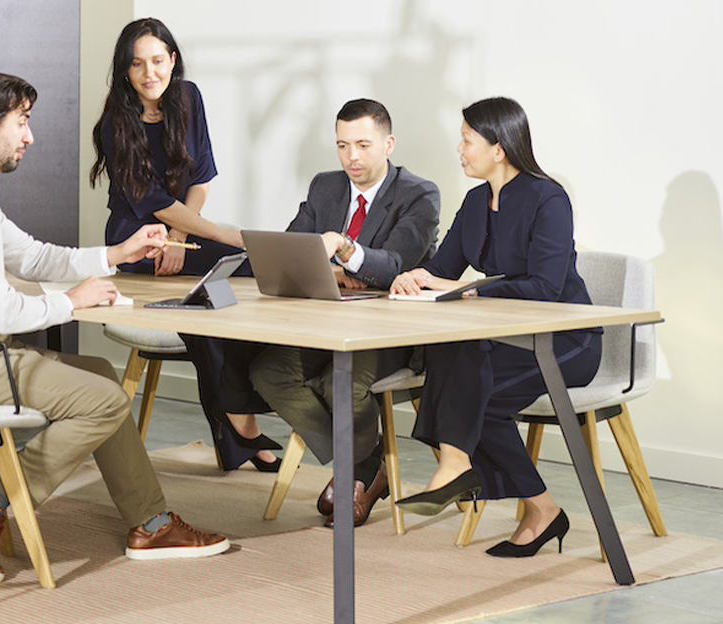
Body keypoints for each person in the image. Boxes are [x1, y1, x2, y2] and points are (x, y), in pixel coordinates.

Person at [0, 72, 230, 584]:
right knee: (107, 400)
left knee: (99, 373)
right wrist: (72, 301)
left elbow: (31, 255)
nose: (30, 136)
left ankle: (151, 524)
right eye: (21, 123)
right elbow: (3, 313)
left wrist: (117, 254)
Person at [391, 97, 602, 557]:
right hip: (510, 339)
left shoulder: (549, 198)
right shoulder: (474, 201)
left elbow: (546, 286)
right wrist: (418, 277)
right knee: (450, 360)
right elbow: (442, 269)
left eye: (467, 140)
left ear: (499, 147)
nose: (460, 150)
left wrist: (472, 290)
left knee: (473, 395)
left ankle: (461, 468)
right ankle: (529, 501)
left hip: (566, 341)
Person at [226, 98, 441, 527]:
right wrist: (335, 273)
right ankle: (363, 466)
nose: (352, 157)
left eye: (363, 144)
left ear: (389, 143)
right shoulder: (326, 186)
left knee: (339, 382)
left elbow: (394, 265)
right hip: (325, 325)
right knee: (268, 371)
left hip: (390, 333)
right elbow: (292, 251)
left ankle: (355, 479)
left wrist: (344, 249)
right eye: (343, 145)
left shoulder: (419, 194)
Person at [89, 17, 278, 471]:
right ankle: (239, 424)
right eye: (137, 65)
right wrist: (219, 233)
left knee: (212, 305)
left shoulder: (188, 98)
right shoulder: (116, 122)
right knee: (237, 261)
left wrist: (181, 237)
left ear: (172, 60)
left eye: (157, 61)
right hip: (136, 240)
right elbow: (151, 201)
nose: (149, 73)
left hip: (179, 235)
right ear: (125, 71)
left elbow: (200, 178)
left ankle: (238, 425)